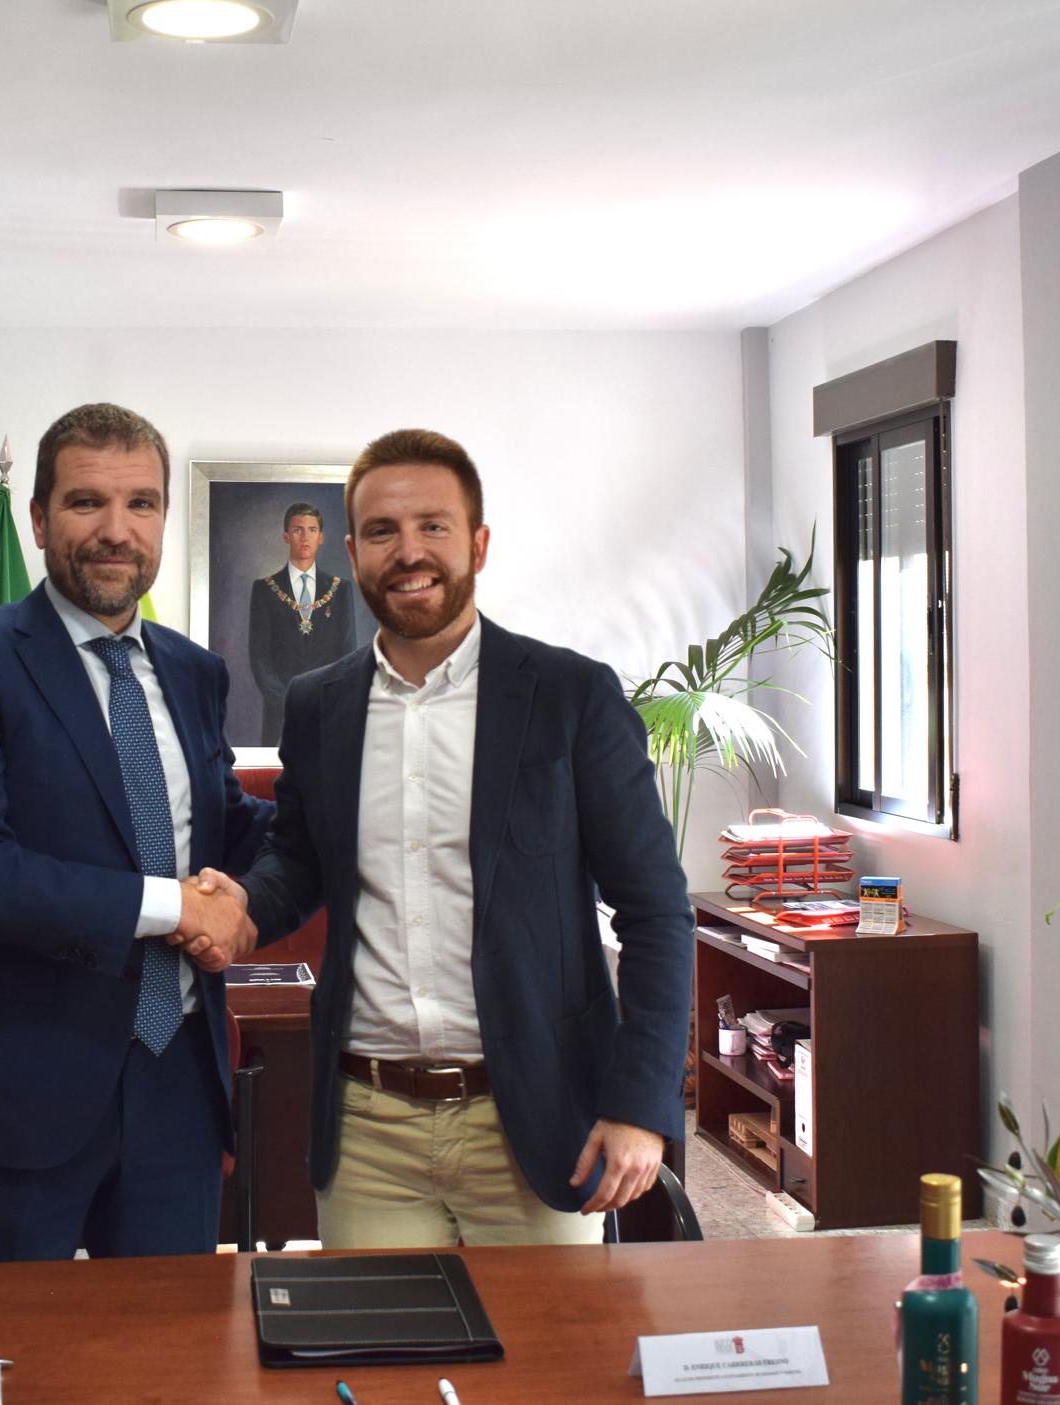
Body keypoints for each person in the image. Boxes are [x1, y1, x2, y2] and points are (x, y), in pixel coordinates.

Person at [184, 428, 694, 1248]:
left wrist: (640, 1103)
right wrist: (244, 903)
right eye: (382, 531)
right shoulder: (318, 705)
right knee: (383, 1372)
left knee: (547, 1373)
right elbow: (302, 860)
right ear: (351, 553)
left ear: (479, 543)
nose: (408, 551)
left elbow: (657, 912)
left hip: (534, 1119)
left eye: (434, 526)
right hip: (368, 1126)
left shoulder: (572, 698)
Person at [0, 402, 271, 1263]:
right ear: (37, 518)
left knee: (165, 1363)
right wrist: (170, 903)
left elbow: (225, 825)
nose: (116, 530)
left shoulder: (193, 670)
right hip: (22, 1088)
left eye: (141, 504)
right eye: (85, 503)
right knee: (6, 1363)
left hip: (179, 1084)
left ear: (164, 521)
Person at [246, 502, 359, 745]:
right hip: (280, 714)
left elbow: (347, 654)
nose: (305, 537)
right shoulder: (265, 589)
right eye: (298, 530)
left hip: (327, 708)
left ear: (321, 537)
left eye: (312, 530)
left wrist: (329, 697)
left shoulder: (340, 589)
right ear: (286, 536)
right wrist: (286, 701)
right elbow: (260, 658)